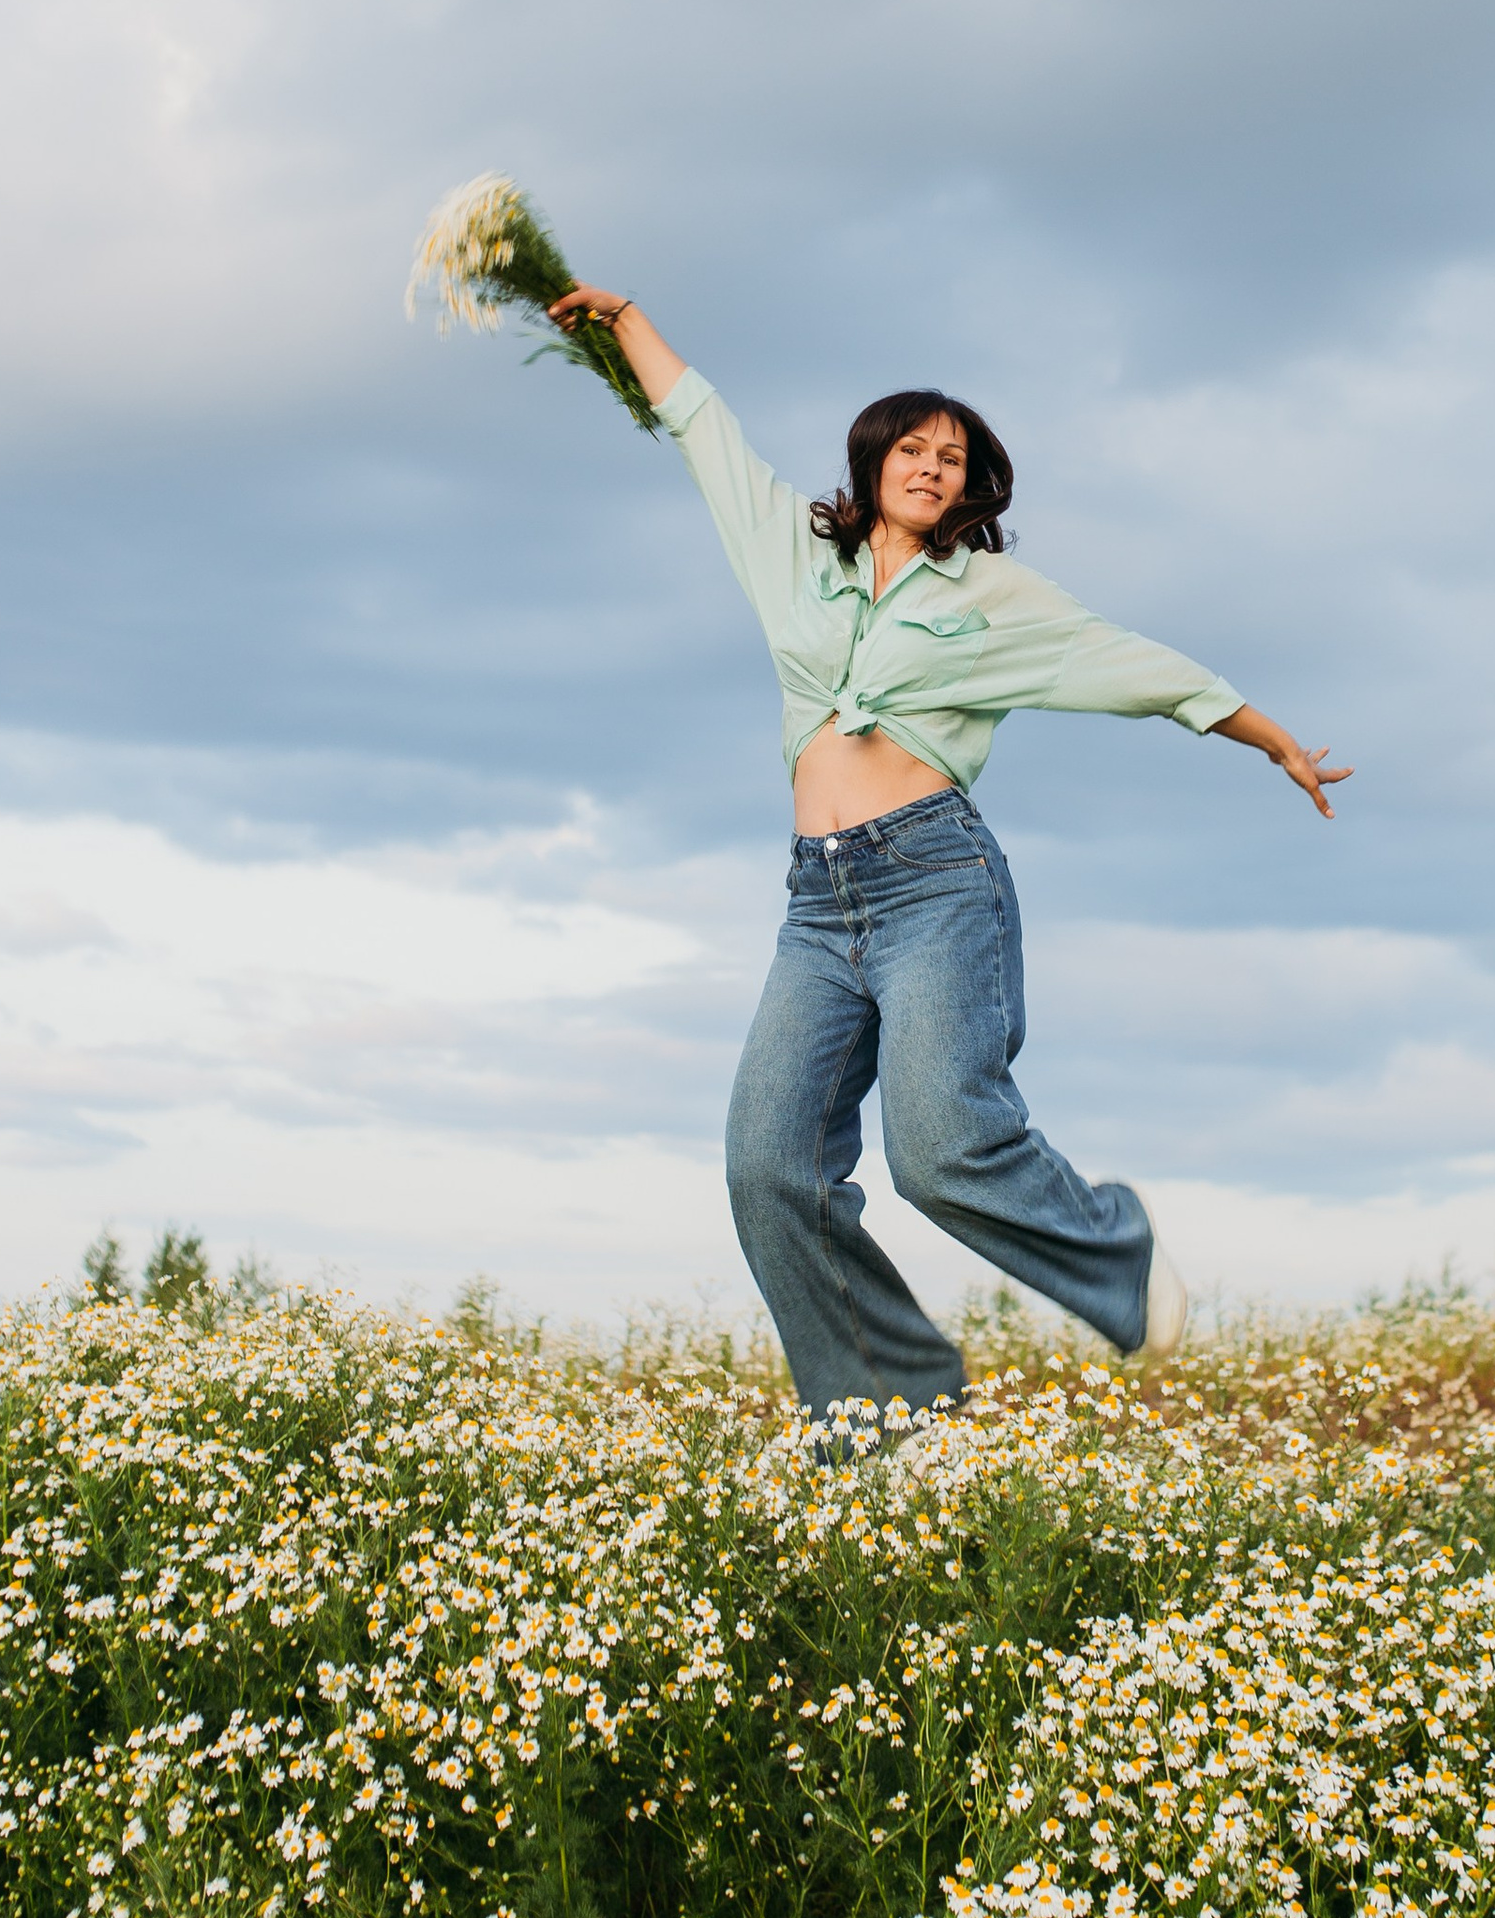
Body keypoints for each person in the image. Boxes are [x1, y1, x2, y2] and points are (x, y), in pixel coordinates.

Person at [549, 286, 1350, 1427]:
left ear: (970, 488)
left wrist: (1271, 739)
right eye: (913, 449)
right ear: (874, 460)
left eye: (953, 458)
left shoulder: (994, 594)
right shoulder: (792, 555)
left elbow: (1127, 661)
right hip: (818, 905)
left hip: (935, 883)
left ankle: (1114, 1257)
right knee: (767, 1168)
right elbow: (704, 431)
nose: (931, 467)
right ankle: (889, 1413)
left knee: (938, 1151)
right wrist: (625, 320)